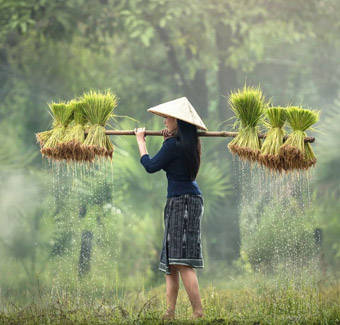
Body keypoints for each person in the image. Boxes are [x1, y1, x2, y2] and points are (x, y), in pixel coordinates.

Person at [134, 97, 207, 320]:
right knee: (171, 261)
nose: (164, 121)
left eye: (167, 118)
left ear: (178, 121)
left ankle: (198, 312)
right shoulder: (188, 144)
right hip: (184, 199)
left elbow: (150, 166)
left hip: (182, 201)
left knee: (181, 260)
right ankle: (169, 313)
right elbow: (170, 155)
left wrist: (141, 141)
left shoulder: (174, 145)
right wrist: (167, 141)